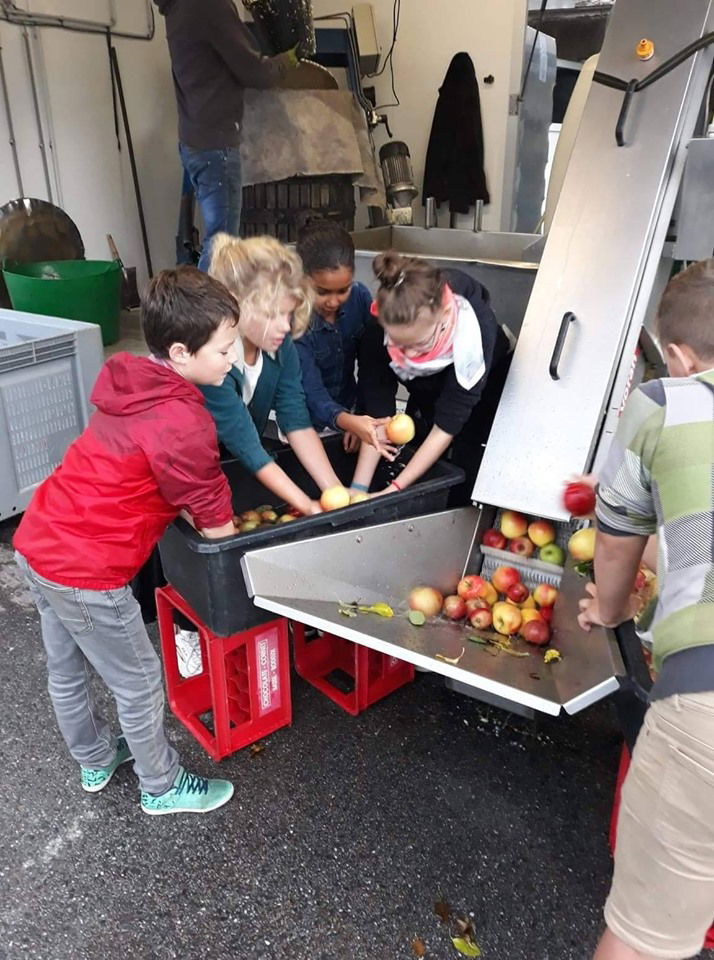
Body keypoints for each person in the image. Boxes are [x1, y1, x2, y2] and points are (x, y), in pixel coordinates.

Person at [13, 267, 241, 816]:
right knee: (139, 682)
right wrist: (237, 561)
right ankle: (161, 787)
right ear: (183, 352)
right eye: (226, 350)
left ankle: (95, 758)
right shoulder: (183, 419)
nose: (233, 360)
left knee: (65, 667)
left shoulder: (135, 380)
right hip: (88, 570)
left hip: (39, 541)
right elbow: (211, 508)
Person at [578, 258, 714, 960]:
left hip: (707, 708)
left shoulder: (670, 400)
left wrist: (607, 606)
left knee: (642, 939)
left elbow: (616, 538)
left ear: (682, 356)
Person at [353, 251, 512, 503]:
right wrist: (358, 489)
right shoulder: (379, 330)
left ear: (445, 315)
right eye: (400, 345)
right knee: (418, 440)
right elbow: (379, 415)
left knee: (465, 461)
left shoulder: (472, 334)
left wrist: (394, 489)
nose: (409, 354)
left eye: (419, 345)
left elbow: (447, 424)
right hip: (426, 389)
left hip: (486, 384)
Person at [204, 233, 343, 515]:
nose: (284, 326)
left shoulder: (280, 348)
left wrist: (335, 492)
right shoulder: (213, 362)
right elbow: (246, 444)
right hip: (188, 470)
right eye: (273, 315)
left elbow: (296, 421)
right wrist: (307, 506)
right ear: (236, 304)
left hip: (230, 464)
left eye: (288, 314)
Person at [155, 0, 298, 270]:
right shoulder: (209, 5)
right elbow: (254, 71)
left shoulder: (177, 7)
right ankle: (200, 310)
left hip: (195, 141)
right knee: (223, 247)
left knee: (218, 240)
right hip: (215, 147)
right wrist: (286, 62)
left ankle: (200, 306)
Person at [294, 219, 395, 467]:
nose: (333, 301)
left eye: (342, 290)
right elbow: (310, 389)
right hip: (305, 426)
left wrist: (361, 415)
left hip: (350, 412)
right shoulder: (295, 318)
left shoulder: (360, 298)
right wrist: (348, 421)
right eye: (322, 292)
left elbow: (373, 368)